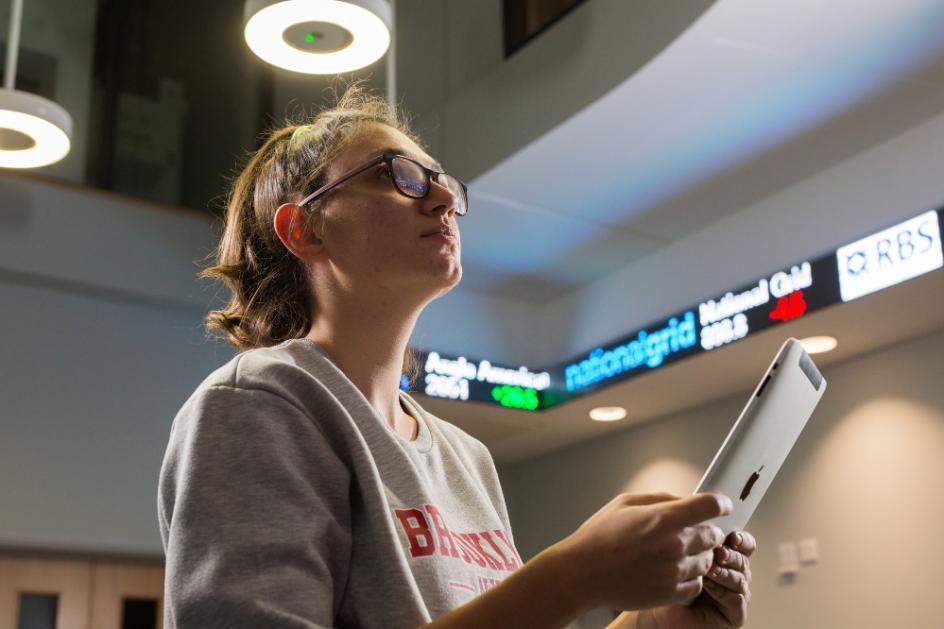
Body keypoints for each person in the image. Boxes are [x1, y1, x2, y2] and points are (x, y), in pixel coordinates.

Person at [157, 83, 756, 629]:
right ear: (305, 230)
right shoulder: (257, 405)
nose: (445, 197)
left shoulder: (465, 456)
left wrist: (657, 621)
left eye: (443, 180)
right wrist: (574, 575)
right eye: (400, 176)